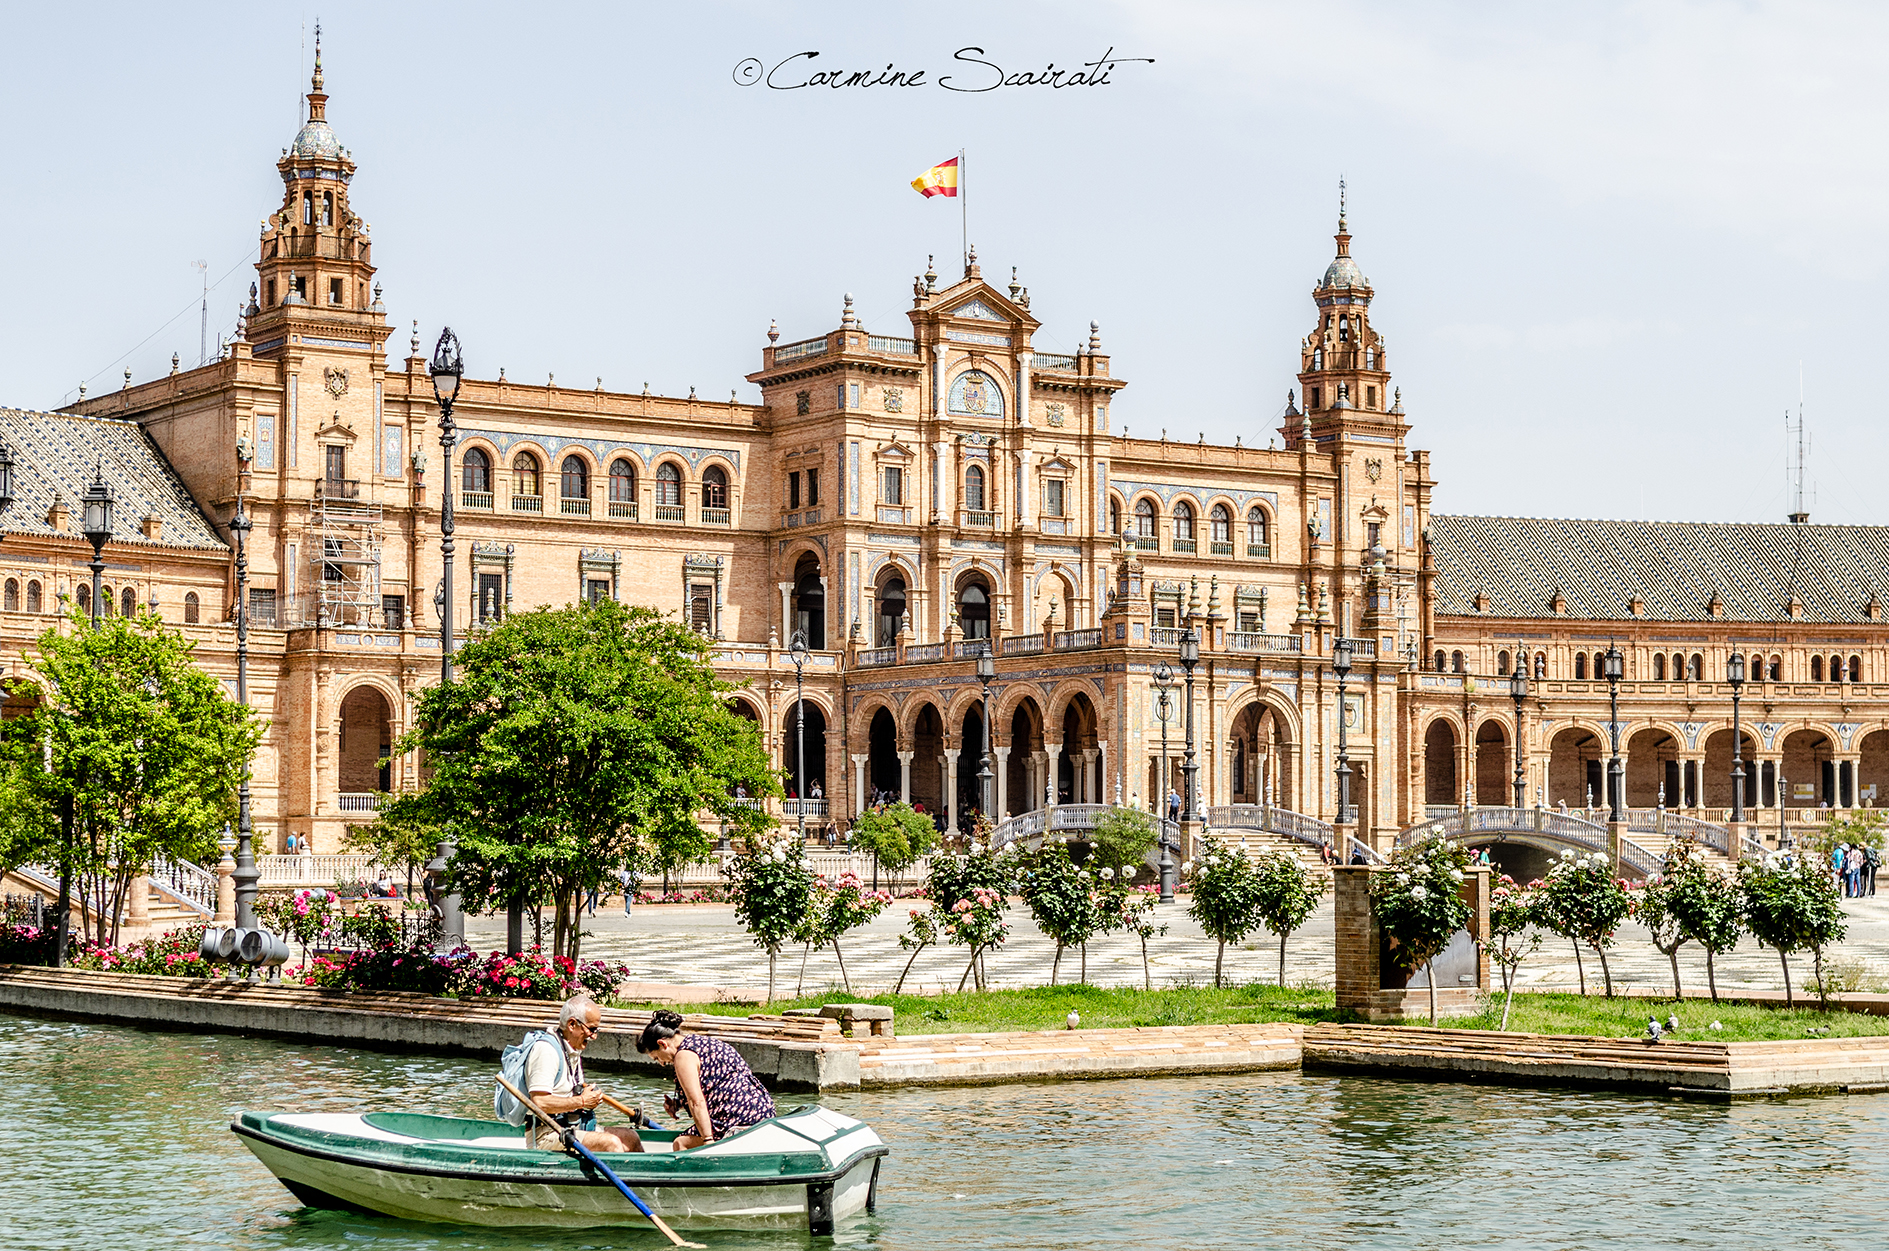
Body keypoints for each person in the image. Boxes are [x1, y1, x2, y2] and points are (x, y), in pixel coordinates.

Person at [637, 1009, 776, 1149]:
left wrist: (708, 1141)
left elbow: (697, 1102)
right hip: (763, 1111)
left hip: (739, 1117)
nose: (661, 1063)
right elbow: (718, 1084)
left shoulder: (683, 1056)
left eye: (657, 1057)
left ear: (662, 1044)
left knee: (681, 1143)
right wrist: (678, 1103)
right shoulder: (700, 1042)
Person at [523, 996, 644, 1153]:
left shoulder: (571, 1049)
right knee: (611, 1143)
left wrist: (588, 1098)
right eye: (592, 1029)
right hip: (547, 1135)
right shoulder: (546, 1050)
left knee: (631, 1138)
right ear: (572, 1024)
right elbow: (540, 1102)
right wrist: (581, 1101)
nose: (594, 1036)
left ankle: (643, 1177)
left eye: (596, 1030)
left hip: (571, 1129)